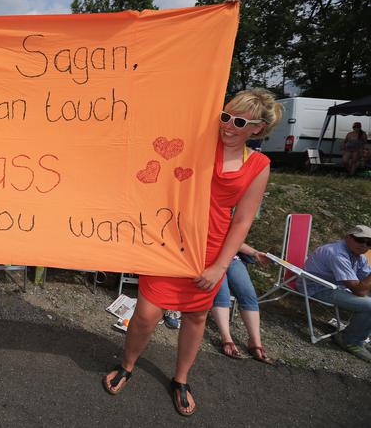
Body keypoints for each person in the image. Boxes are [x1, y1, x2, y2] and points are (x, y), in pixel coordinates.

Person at [102, 88, 283, 417]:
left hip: (210, 249)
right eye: (225, 117)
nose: (227, 125)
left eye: (239, 121)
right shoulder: (200, 140)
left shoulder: (258, 165)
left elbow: (241, 221)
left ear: (257, 128)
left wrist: (219, 266)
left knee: (197, 316)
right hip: (168, 236)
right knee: (146, 313)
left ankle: (181, 379)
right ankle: (127, 365)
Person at [300, 225, 371, 363]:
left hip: (335, 286)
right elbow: (360, 290)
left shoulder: (358, 256)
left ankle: (361, 331)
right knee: (369, 305)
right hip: (318, 288)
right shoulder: (337, 254)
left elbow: (364, 280)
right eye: (360, 240)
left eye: (369, 243)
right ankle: (350, 341)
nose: (364, 245)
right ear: (348, 237)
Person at [210, 243, 273, 364]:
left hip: (232, 258)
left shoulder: (229, 223)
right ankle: (226, 339)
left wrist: (255, 253)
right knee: (222, 292)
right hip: (210, 258)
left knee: (248, 293)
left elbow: (235, 240)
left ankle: (255, 342)